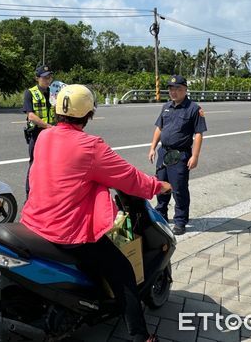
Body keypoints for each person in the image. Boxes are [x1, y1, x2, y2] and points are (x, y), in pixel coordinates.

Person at [21, 84, 171, 342]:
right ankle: (140, 336)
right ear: (88, 115)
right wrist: (158, 185)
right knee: (123, 270)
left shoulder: (45, 137)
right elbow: (128, 177)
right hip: (67, 230)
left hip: (33, 221)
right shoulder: (90, 146)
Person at [148, 75, 207, 235]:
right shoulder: (166, 106)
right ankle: (161, 213)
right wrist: (153, 147)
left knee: (179, 188)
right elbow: (159, 128)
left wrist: (194, 156)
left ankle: (180, 220)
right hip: (164, 152)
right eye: (171, 89)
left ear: (185, 90)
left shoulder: (193, 109)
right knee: (161, 184)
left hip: (180, 155)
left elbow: (199, 134)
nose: (174, 92)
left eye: (178, 89)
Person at [22, 65, 55, 196]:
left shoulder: (54, 92)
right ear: (37, 78)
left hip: (52, 134)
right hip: (37, 134)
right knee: (34, 163)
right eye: (45, 77)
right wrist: (47, 126)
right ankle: (29, 194)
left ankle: (48, 192)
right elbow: (30, 115)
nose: (48, 80)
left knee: (52, 164)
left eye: (50, 77)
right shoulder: (30, 93)